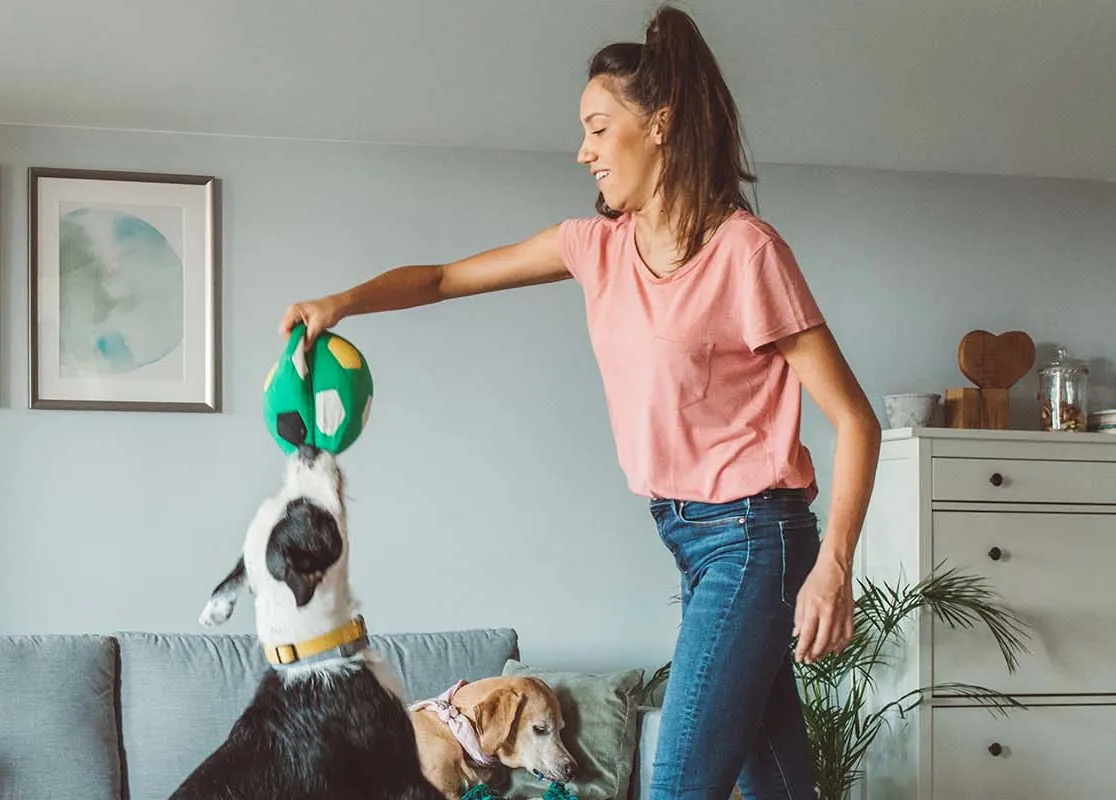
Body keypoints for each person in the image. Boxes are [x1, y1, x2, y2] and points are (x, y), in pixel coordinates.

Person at [275, 6, 880, 799]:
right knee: (779, 779)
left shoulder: (745, 252)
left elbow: (855, 420)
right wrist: (342, 301)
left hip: (752, 536)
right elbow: (446, 277)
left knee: (677, 785)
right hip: (694, 539)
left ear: (659, 125)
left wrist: (833, 568)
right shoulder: (596, 248)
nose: (583, 150)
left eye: (599, 127)